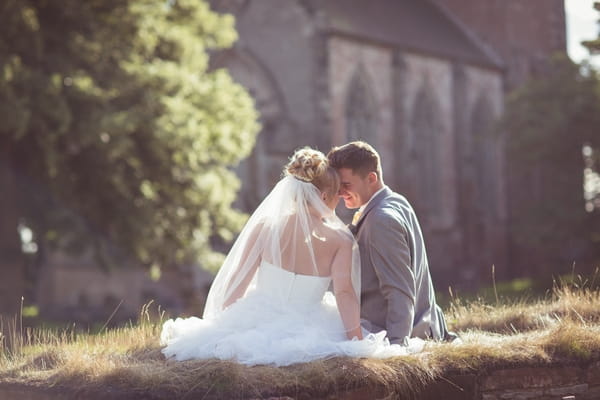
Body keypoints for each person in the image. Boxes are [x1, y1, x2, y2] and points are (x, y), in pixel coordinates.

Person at [160, 147, 422, 367]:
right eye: (335, 195)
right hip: (310, 325)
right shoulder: (340, 240)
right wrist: (356, 340)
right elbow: (344, 294)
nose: (339, 200)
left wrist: (224, 324)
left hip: (256, 317)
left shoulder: (266, 227)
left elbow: (237, 282)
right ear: (322, 196)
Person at [327, 141, 455, 345]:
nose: (340, 192)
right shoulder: (395, 200)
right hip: (419, 322)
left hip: (391, 333)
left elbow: (399, 291)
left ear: (371, 178)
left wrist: (396, 348)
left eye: (346, 185)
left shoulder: (381, 220)